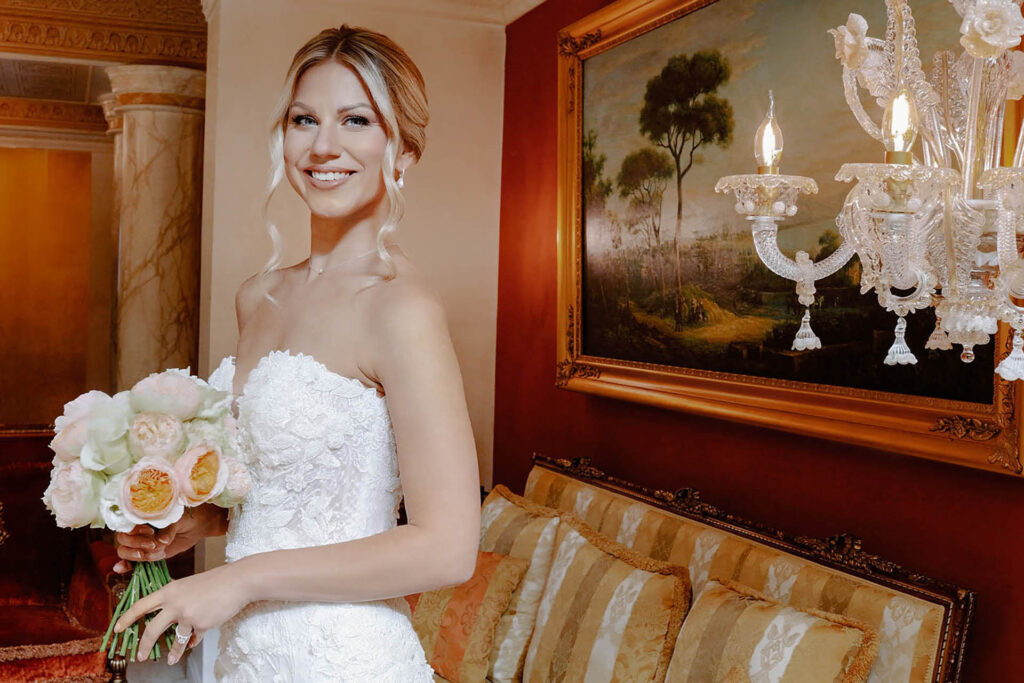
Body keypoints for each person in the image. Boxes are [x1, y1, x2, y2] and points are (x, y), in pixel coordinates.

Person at [112, 25, 481, 681]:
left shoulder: (402, 310)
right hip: (243, 651)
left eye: (356, 120)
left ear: (403, 152)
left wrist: (242, 579)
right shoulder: (259, 297)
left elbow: (448, 548)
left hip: (340, 655)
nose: (323, 145)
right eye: (304, 120)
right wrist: (187, 523)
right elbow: (276, 493)